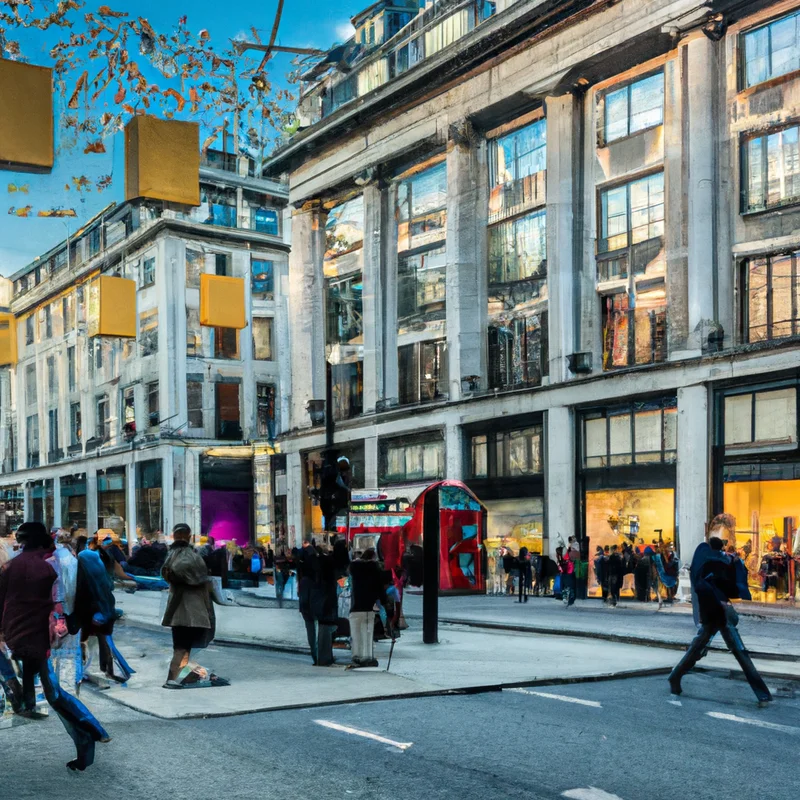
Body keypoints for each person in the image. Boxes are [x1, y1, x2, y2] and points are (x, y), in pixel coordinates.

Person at [0, 522, 110, 770]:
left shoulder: (39, 564)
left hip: (40, 632)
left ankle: (91, 730)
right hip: (51, 630)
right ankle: (88, 737)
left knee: (55, 691)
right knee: (54, 690)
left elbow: (51, 601)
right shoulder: (65, 558)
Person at [669, 537, 772, 705]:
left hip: (716, 611)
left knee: (699, 648)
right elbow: (714, 584)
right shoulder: (711, 559)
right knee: (739, 651)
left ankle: (675, 676)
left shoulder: (710, 560)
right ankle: (762, 693)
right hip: (718, 611)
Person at [161, 523, 227, 689]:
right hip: (193, 611)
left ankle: (181, 677)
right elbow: (194, 574)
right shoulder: (189, 556)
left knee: (183, 647)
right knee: (183, 648)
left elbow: (171, 574)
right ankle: (172, 678)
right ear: (189, 536)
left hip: (180, 611)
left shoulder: (172, 555)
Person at [74, 534, 134, 683]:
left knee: (82, 640)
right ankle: (108, 670)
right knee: (105, 640)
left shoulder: (82, 574)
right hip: (105, 611)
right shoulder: (103, 573)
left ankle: (81, 670)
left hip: (89, 612)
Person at [295, 534, 337, 667]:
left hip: (308, 608)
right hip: (317, 608)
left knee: (312, 634)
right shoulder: (318, 577)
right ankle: (320, 656)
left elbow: (303, 597)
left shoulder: (304, 579)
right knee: (319, 633)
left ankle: (316, 656)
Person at [349, 548, 388, 667]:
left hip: (354, 607)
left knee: (356, 634)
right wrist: (384, 601)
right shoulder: (373, 569)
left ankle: (356, 655)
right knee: (367, 633)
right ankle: (366, 656)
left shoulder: (353, 568)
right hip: (367, 606)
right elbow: (379, 588)